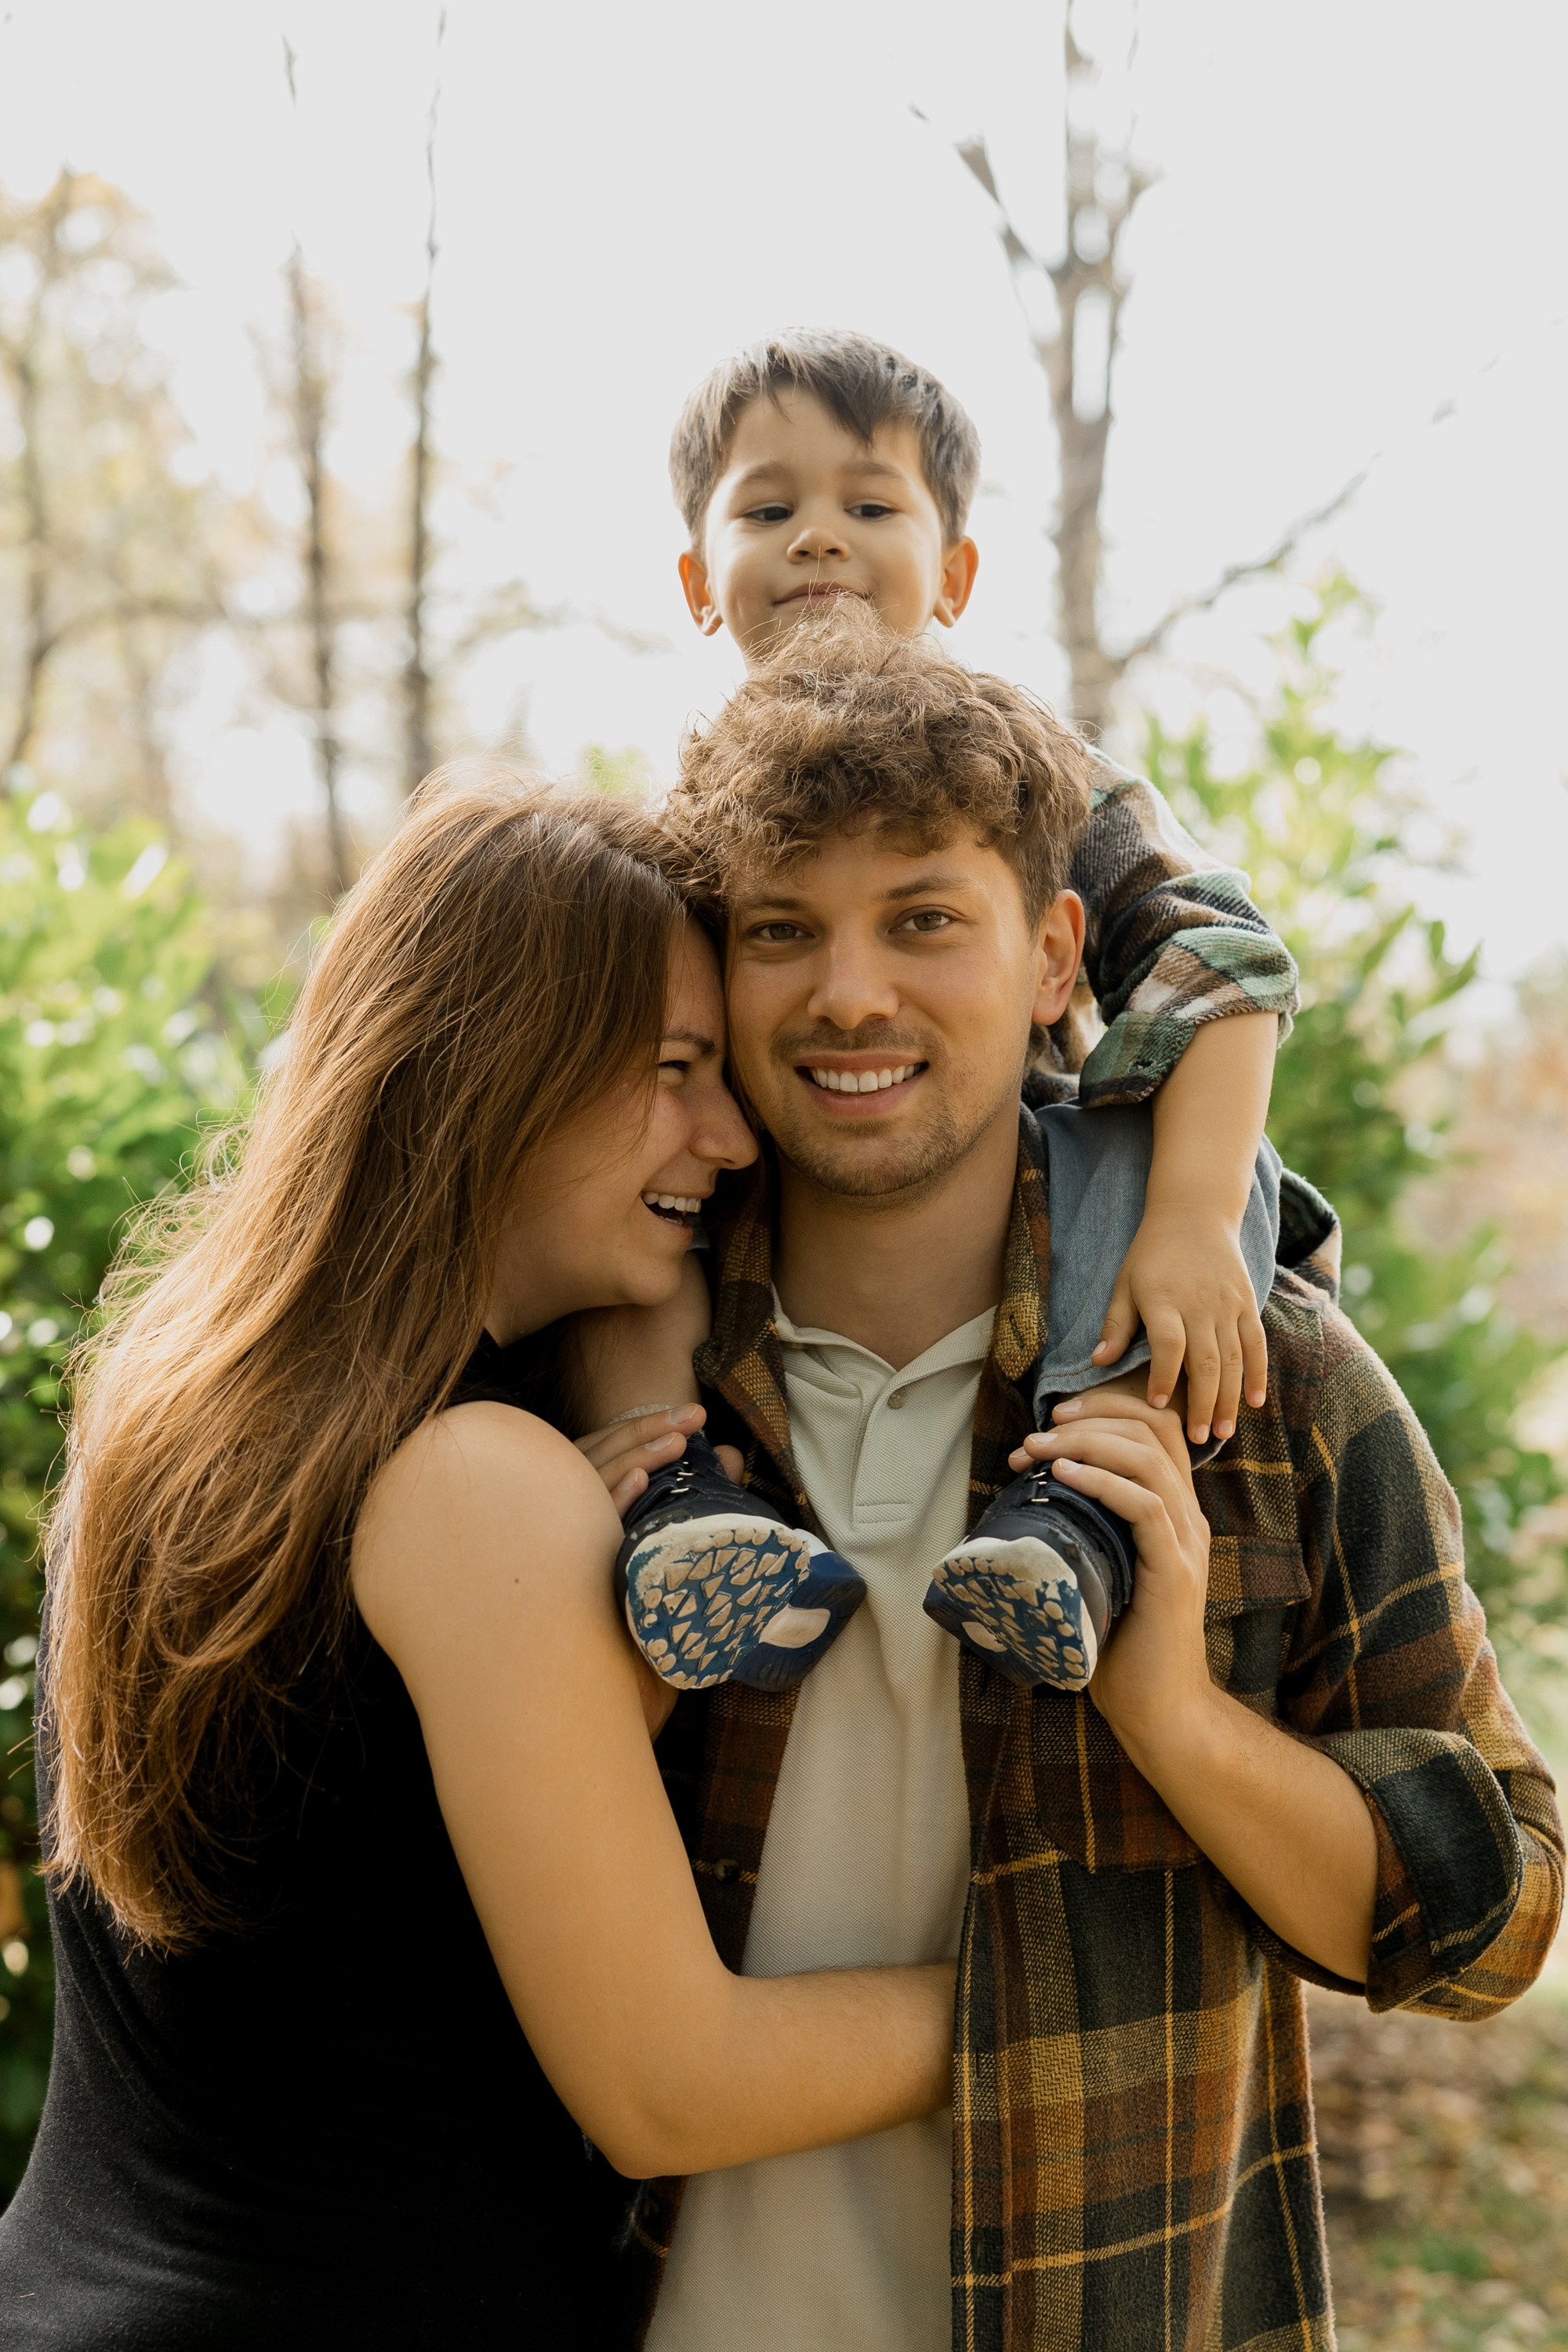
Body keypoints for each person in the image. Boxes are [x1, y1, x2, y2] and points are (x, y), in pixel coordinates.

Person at [592, 619, 1563, 2352]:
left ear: (1054, 958)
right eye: (780, 931)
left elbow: (1492, 1926)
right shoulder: (614, 1389)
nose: (848, 996)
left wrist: (1176, 1714)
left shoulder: (1255, 1386)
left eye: (923, 921)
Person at [0, 779, 960, 2350]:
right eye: (671, 1072)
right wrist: (1060, 1995)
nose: (726, 1139)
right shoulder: (475, 1486)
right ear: (487, 1070)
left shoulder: (178, 1395)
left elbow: (344, 1902)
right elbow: (671, 2085)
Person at [606, 328, 1308, 1701]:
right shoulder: (679, 819)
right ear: (698, 582)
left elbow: (1220, 961)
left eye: (870, 506)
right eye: (768, 509)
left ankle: (1083, 1499)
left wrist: (1185, 1222)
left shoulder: (1026, 775)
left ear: (956, 571)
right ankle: (677, 1499)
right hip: (754, 1201)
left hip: (1021, 1203)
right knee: (599, 1182)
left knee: (1173, 1148)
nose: (818, 539)